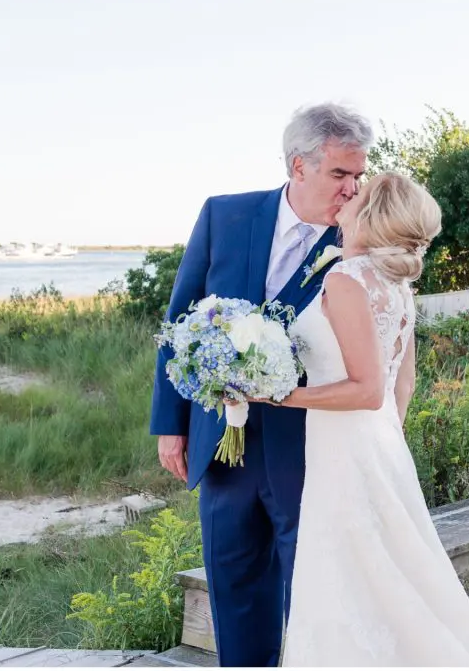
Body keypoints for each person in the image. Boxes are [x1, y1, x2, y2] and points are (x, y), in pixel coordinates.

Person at [267, 172, 469, 667]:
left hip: (345, 448)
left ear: (369, 216)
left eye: (356, 194)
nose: (346, 196)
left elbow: (366, 389)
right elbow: (400, 385)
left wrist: (277, 396)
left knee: (346, 570)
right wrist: (384, 440)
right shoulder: (395, 283)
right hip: (377, 444)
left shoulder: (345, 279)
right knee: (390, 569)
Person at [149, 102, 373, 667]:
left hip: (310, 445)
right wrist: (169, 427)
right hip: (222, 445)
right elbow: (178, 324)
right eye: (340, 174)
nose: (353, 189)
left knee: (314, 591)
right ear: (299, 167)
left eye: (360, 174)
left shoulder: (359, 243)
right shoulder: (225, 216)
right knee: (234, 585)